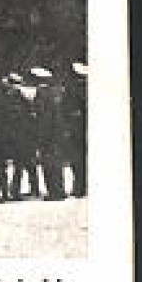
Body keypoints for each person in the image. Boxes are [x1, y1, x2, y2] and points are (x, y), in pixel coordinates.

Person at [30, 67, 67, 200]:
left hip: (47, 134)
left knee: (49, 164)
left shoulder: (41, 94)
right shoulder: (53, 92)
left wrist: (40, 136)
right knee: (56, 162)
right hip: (56, 133)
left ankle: (54, 192)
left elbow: (43, 118)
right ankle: (59, 190)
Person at [67, 62, 88, 197]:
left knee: (77, 159)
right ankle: (81, 186)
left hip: (76, 128)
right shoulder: (87, 89)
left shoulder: (74, 90)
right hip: (82, 128)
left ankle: (79, 187)